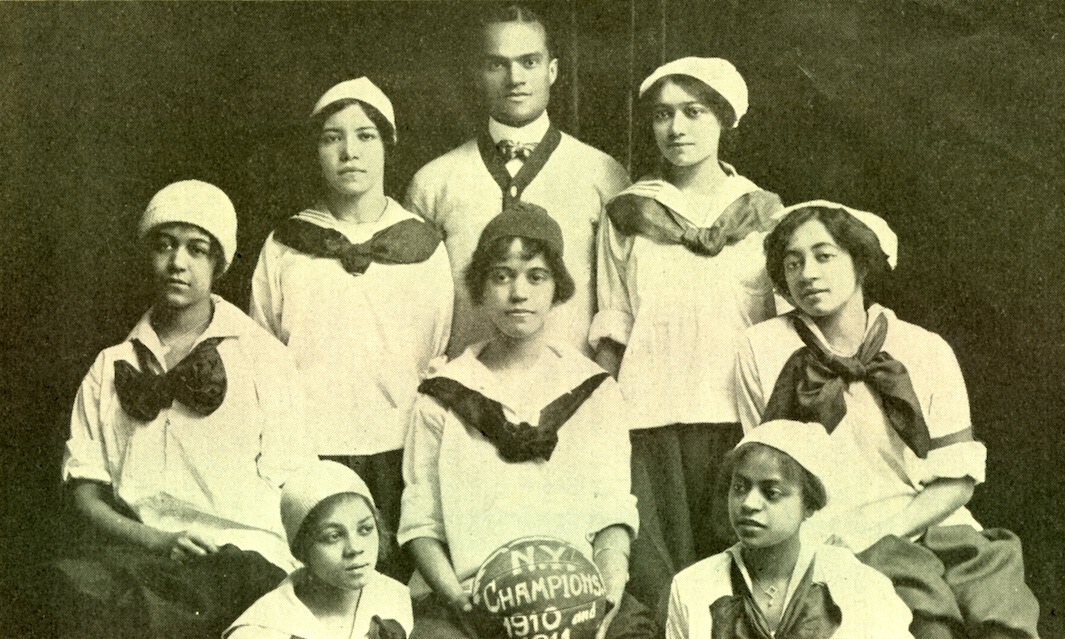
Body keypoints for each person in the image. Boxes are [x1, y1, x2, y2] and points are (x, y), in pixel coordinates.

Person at [735, 201, 1041, 639]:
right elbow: (768, 473)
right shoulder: (761, 347)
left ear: (861, 263)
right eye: (793, 262)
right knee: (923, 623)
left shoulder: (924, 347)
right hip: (834, 535)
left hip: (934, 524)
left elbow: (959, 480)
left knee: (1001, 618)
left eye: (825, 256)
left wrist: (888, 528)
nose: (807, 273)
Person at [55, 180, 311, 638]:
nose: (178, 263)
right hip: (140, 551)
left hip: (241, 557)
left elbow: (294, 481)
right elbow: (85, 494)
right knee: (60, 591)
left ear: (219, 263)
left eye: (197, 249)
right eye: (165, 245)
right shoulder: (110, 365)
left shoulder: (263, 358)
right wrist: (157, 540)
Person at [398, 203, 656, 639]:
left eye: (536, 276)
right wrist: (463, 604)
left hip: (575, 593)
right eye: (501, 275)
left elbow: (612, 510)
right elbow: (421, 524)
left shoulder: (594, 390)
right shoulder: (443, 395)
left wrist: (608, 590)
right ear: (480, 288)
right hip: (468, 596)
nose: (518, 292)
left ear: (557, 288)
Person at [591, 57, 783, 608]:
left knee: (738, 574)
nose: (676, 128)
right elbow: (614, 321)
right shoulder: (628, 212)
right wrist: (602, 421)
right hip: (649, 418)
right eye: (662, 115)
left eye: (693, 112)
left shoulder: (763, 213)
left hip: (737, 420)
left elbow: (783, 332)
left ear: (724, 119)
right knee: (663, 579)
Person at [250, 78, 453, 580]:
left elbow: (437, 349)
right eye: (331, 138)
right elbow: (262, 354)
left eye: (365, 136)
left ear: (387, 146)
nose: (349, 152)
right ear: (316, 151)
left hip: (399, 451)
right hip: (308, 450)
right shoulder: (285, 245)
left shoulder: (422, 247)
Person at [404, 3, 629, 359]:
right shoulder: (433, 182)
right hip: (466, 398)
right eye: (497, 64)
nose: (515, 78)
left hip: (573, 394)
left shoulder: (603, 174)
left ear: (552, 70)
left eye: (529, 62)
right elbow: (417, 312)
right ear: (479, 73)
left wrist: (599, 389)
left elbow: (619, 304)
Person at [667, 420, 913, 639]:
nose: (749, 504)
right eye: (740, 487)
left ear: (809, 504)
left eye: (771, 492)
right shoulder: (692, 587)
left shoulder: (857, 585)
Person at [225, 460, 413, 639]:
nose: (355, 548)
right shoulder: (261, 631)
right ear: (302, 548)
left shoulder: (393, 596)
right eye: (333, 536)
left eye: (365, 529)